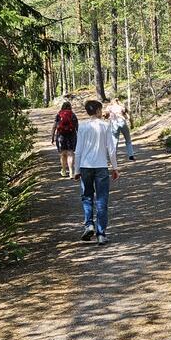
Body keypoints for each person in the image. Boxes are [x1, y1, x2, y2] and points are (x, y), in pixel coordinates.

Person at [73, 99, 119, 245]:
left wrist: (76, 170)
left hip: (85, 167)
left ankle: (89, 225)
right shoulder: (105, 126)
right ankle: (101, 234)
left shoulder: (82, 126)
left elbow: (78, 151)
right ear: (98, 111)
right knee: (102, 200)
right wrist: (115, 167)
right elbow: (111, 149)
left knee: (87, 197)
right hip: (101, 167)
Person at [51, 101, 78, 178]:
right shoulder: (72, 114)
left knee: (63, 154)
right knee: (70, 153)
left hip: (61, 136)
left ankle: (63, 170)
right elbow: (77, 127)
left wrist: (52, 137)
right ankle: (71, 172)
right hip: (71, 135)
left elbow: (54, 127)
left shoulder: (59, 115)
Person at [106, 96, 135, 161]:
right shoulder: (122, 106)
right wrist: (132, 124)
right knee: (128, 140)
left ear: (112, 101)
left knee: (114, 141)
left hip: (114, 124)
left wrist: (106, 117)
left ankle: (113, 157)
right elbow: (129, 116)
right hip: (122, 123)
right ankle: (131, 155)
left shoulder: (109, 107)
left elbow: (106, 115)